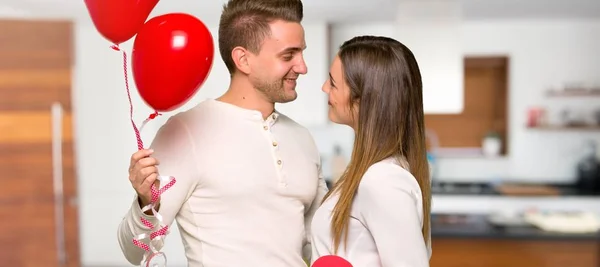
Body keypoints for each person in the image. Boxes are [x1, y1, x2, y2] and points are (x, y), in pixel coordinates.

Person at [117, 0, 328, 266]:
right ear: (243, 59)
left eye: (301, 53)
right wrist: (146, 201)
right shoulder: (186, 132)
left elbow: (324, 242)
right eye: (288, 56)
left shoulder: (303, 138)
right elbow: (135, 251)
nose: (302, 66)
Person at [310, 36, 433, 267]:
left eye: (333, 83)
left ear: (364, 98)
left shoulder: (382, 180)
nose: (324, 88)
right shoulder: (370, 173)